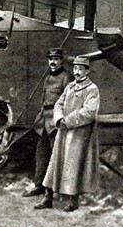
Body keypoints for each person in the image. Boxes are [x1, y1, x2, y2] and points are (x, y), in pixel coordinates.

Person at [35, 57, 100, 212]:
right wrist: (59, 119)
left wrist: (69, 121)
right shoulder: (70, 87)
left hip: (79, 134)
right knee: (55, 164)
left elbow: (89, 112)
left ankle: (72, 200)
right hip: (63, 131)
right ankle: (48, 197)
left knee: (73, 166)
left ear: (87, 71)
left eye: (80, 69)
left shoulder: (92, 89)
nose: (77, 72)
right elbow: (59, 104)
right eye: (75, 69)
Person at [23, 48, 73, 198]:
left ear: (61, 61)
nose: (52, 62)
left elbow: (69, 102)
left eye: (56, 59)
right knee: (41, 154)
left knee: (59, 156)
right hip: (44, 120)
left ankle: (64, 190)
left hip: (57, 120)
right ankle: (39, 185)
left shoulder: (66, 77)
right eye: (50, 59)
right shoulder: (48, 78)